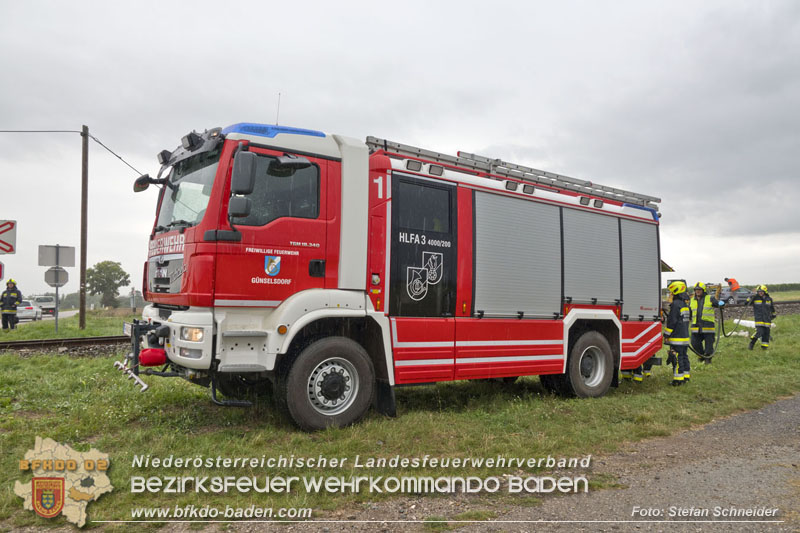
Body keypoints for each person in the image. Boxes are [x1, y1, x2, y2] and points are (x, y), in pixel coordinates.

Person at [664, 280, 692, 385]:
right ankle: (686, 376)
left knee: (677, 357)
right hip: (684, 336)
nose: (670, 294)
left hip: (677, 338)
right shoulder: (685, 304)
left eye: (672, 292)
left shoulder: (675, 305)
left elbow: (672, 322)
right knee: (684, 356)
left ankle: (678, 380)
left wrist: (666, 334)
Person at [689, 282, 724, 363]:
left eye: (699, 290)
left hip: (708, 326)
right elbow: (689, 312)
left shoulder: (710, 298)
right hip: (695, 327)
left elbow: (718, 305)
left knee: (709, 345)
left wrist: (721, 304)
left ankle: (708, 359)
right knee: (694, 343)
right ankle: (701, 356)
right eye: (696, 290)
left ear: (703, 290)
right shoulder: (691, 300)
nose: (697, 291)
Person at [746, 285, 776, 350]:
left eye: (761, 291)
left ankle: (764, 348)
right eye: (759, 292)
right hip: (759, 319)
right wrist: (750, 297)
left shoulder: (769, 299)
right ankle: (751, 343)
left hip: (767, 320)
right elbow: (746, 303)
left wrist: (773, 314)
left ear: (765, 291)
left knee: (766, 334)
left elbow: (772, 308)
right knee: (760, 332)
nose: (760, 293)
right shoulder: (755, 298)